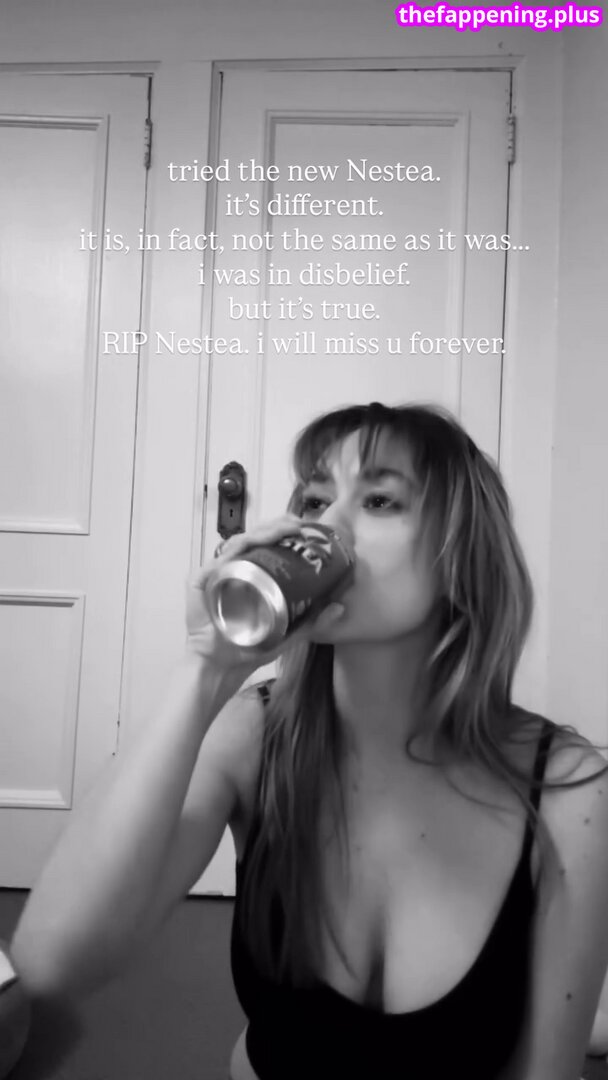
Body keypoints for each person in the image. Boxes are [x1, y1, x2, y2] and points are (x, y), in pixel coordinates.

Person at [9, 401, 608, 1080]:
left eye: (379, 500)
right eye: (317, 499)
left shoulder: (567, 792)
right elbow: (51, 962)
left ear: (460, 558)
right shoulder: (255, 737)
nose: (327, 525)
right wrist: (207, 666)